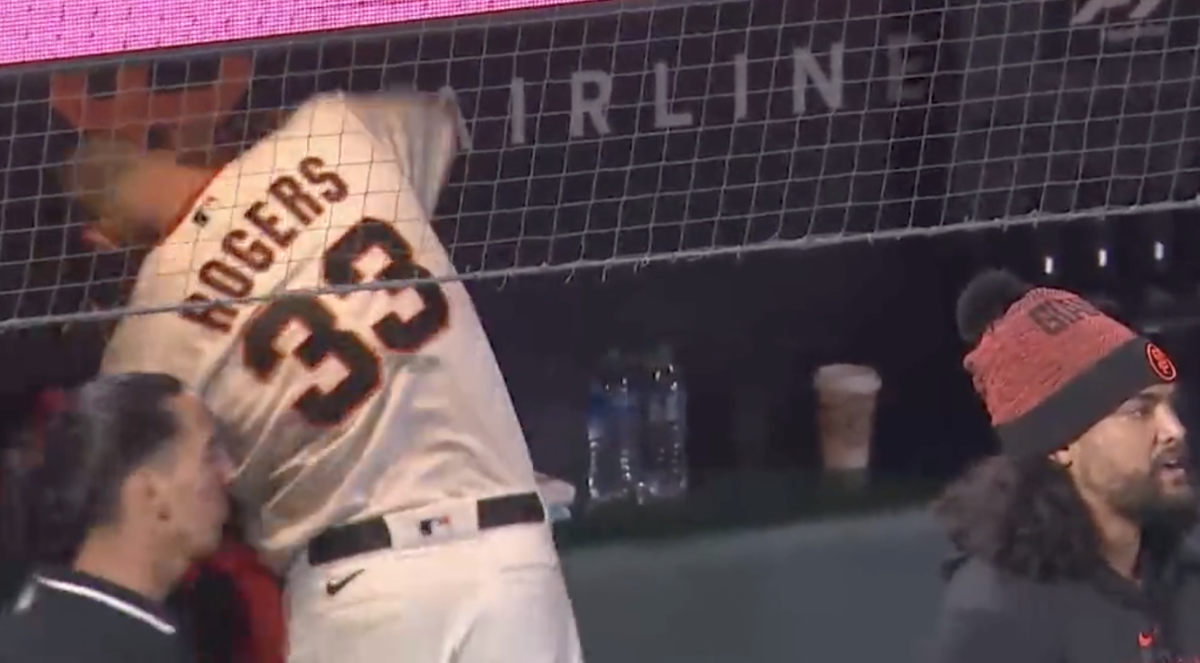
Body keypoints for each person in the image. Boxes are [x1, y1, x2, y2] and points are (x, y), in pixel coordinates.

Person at [63, 89, 584, 663]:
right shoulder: (334, 131)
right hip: (511, 564)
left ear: (102, 240)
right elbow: (447, 118)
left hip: (360, 593)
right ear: (161, 147)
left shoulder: (149, 338)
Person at [928, 270, 1200, 663]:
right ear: (1060, 445)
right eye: (1139, 411)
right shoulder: (999, 620)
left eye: (1169, 405)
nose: (1174, 430)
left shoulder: (1186, 577)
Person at [0, 372, 233, 663]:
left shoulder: (21, 620)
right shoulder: (145, 649)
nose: (228, 473)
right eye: (209, 456)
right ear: (150, 494)